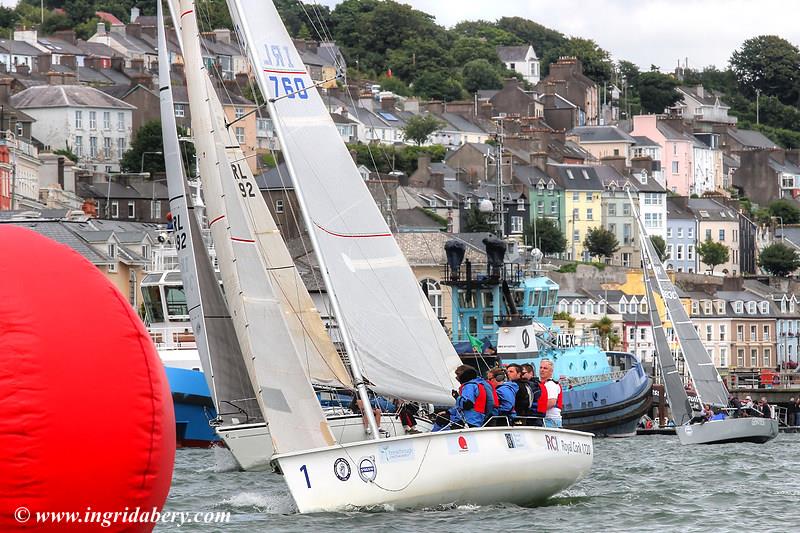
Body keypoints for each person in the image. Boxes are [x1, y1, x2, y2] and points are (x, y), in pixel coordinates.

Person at [433, 365, 495, 431]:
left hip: (468, 421)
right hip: (477, 420)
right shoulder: (477, 384)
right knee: (445, 418)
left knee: (441, 419)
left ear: (463, 375)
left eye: (457, 375)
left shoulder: (469, 386)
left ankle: (432, 438)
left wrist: (456, 397)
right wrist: (448, 412)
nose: (456, 378)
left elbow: (467, 404)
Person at [537, 358, 563, 428]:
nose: (542, 370)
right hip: (546, 419)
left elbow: (552, 402)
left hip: (551, 420)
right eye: (541, 368)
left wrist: (536, 412)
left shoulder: (551, 385)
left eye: (545, 368)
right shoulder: (542, 384)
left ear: (551, 371)